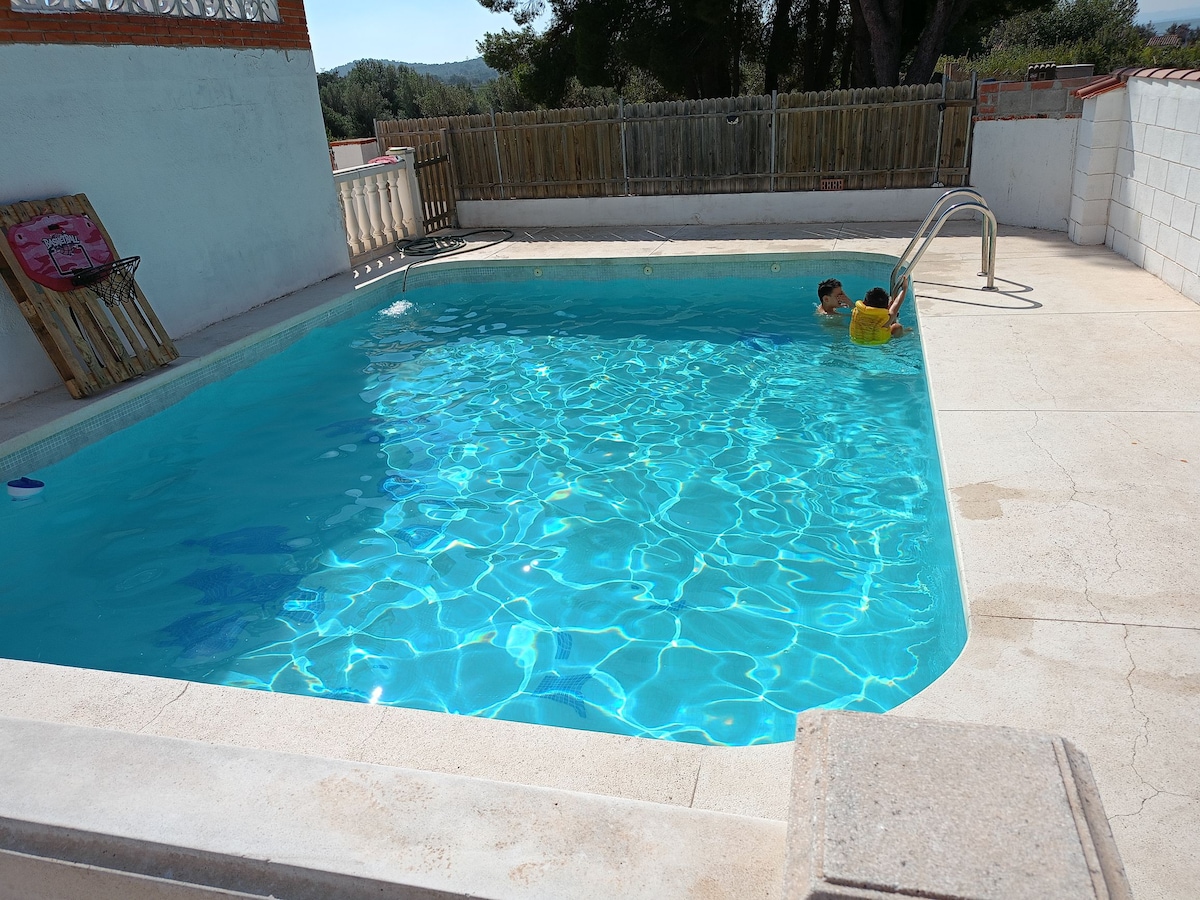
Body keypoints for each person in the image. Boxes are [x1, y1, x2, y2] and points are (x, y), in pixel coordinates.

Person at [849, 276, 908, 346]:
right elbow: (896, 304)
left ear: (864, 302)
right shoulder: (884, 319)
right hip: (879, 345)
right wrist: (904, 289)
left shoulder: (856, 311)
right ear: (887, 307)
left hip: (856, 342)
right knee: (897, 327)